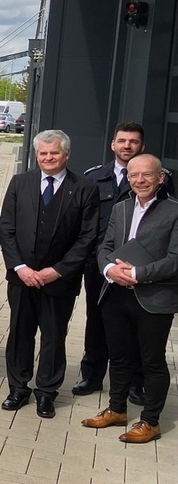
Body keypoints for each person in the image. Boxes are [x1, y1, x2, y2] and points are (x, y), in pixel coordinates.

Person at [0, 130, 98, 418]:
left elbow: (87, 236)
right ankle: (18, 387)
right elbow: (7, 228)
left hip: (59, 281)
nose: (48, 158)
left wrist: (59, 270)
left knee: (54, 336)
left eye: (54, 153)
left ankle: (46, 392)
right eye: (43, 153)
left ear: (66, 154)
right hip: (23, 277)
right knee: (20, 333)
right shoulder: (20, 183)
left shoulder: (84, 187)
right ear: (36, 155)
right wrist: (20, 267)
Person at [82, 154, 178, 443]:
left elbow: (175, 258)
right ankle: (117, 409)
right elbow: (105, 246)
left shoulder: (174, 212)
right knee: (120, 357)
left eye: (147, 175)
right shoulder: (121, 208)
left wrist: (139, 272)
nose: (140, 180)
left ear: (160, 177)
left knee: (152, 361)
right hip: (116, 294)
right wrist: (110, 269)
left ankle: (150, 422)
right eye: (134, 175)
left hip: (153, 297)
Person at [74, 123, 170, 400]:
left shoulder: (162, 178)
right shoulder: (94, 177)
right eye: (122, 141)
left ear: (142, 146)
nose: (127, 145)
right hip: (101, 265)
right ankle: (91, 376)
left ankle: (135, 383)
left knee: (139, 328)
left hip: (143, 268)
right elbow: (85, 223)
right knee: (97, 323)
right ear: (112, 145)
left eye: (133, 141)